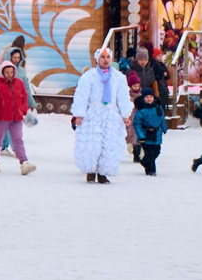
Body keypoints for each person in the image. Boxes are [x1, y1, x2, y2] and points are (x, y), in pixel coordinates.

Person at [69, 47, 133, 184]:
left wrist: (125, 114)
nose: (105, 60)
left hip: (111, 114)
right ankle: (91, 171)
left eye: (108, 57)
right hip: (94, 113)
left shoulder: (118, 77)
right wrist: (79, 114)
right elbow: (81, 95)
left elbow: (123, 97)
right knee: (92, 143)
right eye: (103, 57)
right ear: (97, 59)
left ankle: (103, 173)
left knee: (108, 143)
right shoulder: (89, 76)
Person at [0, 60, 34, 173]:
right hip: (1, 117)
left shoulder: (19, 83)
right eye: (7, 72)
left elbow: (23, 97)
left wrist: (24, 109)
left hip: (17, 117)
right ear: (2, 72)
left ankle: (24, 162)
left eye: (11, 72)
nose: (9, 75)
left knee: (18, 140)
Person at [131, 87, 166, 177]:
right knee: (149, 152)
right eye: (147, 97)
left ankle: (144, 162)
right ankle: (151, 170)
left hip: (156, 133)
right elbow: (137, 124)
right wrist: (141, 135)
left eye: (151, 97)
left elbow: (162, 118)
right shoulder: (141, 111)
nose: (149, 99)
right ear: (143, 98)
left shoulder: (158, 108)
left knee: (157, 151)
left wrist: (164, 128)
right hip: (146, 134)